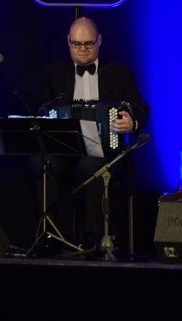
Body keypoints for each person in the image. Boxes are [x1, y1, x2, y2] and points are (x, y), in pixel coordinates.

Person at [26, 15, 149, 253]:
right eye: (76, 44)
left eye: (88, 44)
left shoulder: (118, 73)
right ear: (68, 42)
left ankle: (89, 238)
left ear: (99, 41)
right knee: (39, 163)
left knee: (89, 166)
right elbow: (40, 112)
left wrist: (131, 122)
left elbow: (141, 109)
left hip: (104, 152)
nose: (82, 49)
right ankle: (50, 235)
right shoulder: (52, 73)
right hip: (64, 151)